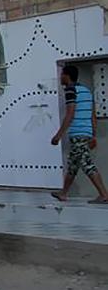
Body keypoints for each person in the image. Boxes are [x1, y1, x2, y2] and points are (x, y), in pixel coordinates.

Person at [51, 65, 108, 204]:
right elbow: (92, 115)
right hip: (86, 133)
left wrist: (58, 135)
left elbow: (70, 113)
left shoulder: (70, 90)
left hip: (78, 133)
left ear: (67, 75)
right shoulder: (87, 91)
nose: (60, 77)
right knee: (73, 165)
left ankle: (104, 195)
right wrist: (93, 135)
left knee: (87, 164)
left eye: (62, 74)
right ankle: (64, 194)